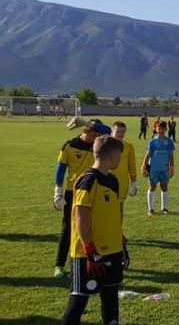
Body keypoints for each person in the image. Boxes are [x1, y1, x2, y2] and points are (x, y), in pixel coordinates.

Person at [60, 135, 125, 325]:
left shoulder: (112, 180)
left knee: (111, 297)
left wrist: (121, 238)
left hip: (112, 250)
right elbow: (81, 217)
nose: (119, 160)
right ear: (112, 157)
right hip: (88, 254)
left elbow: (112, 214)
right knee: (79, 299)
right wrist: (89, 250)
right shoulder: (86, 181)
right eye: (119, 156)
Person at [53, 119, 111, 279]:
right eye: (95, 134)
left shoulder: (97, 146)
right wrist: (58, 192)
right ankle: (59, 265)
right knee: (68, 229)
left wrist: (87, 122)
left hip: (94, 192)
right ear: (87, 132)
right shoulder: (69, 145)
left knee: (93, 227)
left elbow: (108, 130)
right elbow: (60, 170)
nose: (98, 138)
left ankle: (93, 259)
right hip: (74, 193)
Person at [141, 121, 175, 215]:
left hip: (164, 169)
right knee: (152, 187)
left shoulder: (169, 142)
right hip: (153, 169)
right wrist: (144, 166)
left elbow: (171, 155)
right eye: (158, 128)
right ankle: (150, 209)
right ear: (155, 129)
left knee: (164, 187)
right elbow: (148, 155)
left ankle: (164, 208)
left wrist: (171, 167)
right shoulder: (152, 142)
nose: (160, 130)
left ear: (165, 129)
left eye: (162, 128)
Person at [110, 121, 138, 204]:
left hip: (122, 182)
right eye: (118, 131)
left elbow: (132, 166)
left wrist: (134, 183)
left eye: (123, 132)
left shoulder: (128, 146)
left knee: (119, 206)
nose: (120, 134)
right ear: (111, 131)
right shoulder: (104, 144)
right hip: (106, 180)